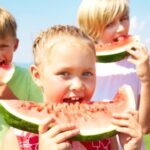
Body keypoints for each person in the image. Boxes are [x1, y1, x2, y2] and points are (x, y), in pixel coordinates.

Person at [1, 25, 142, 150]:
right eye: (64, 74)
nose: (78, 85)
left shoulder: (105, 133)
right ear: (37, 76)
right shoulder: (16, 139)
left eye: (87, 73)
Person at [77, 0, 150, 149]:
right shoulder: (83, 65)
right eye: (110, 24)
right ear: (92, 30)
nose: (122, 28)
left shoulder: (139, 63)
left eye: (124, 18)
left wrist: (146, 79)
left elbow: (144, 127)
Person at [0, 7, 43, 145]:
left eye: (2, 46)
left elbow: (39, 122)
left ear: (16, 45)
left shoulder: (30, 79)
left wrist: (10, 99)